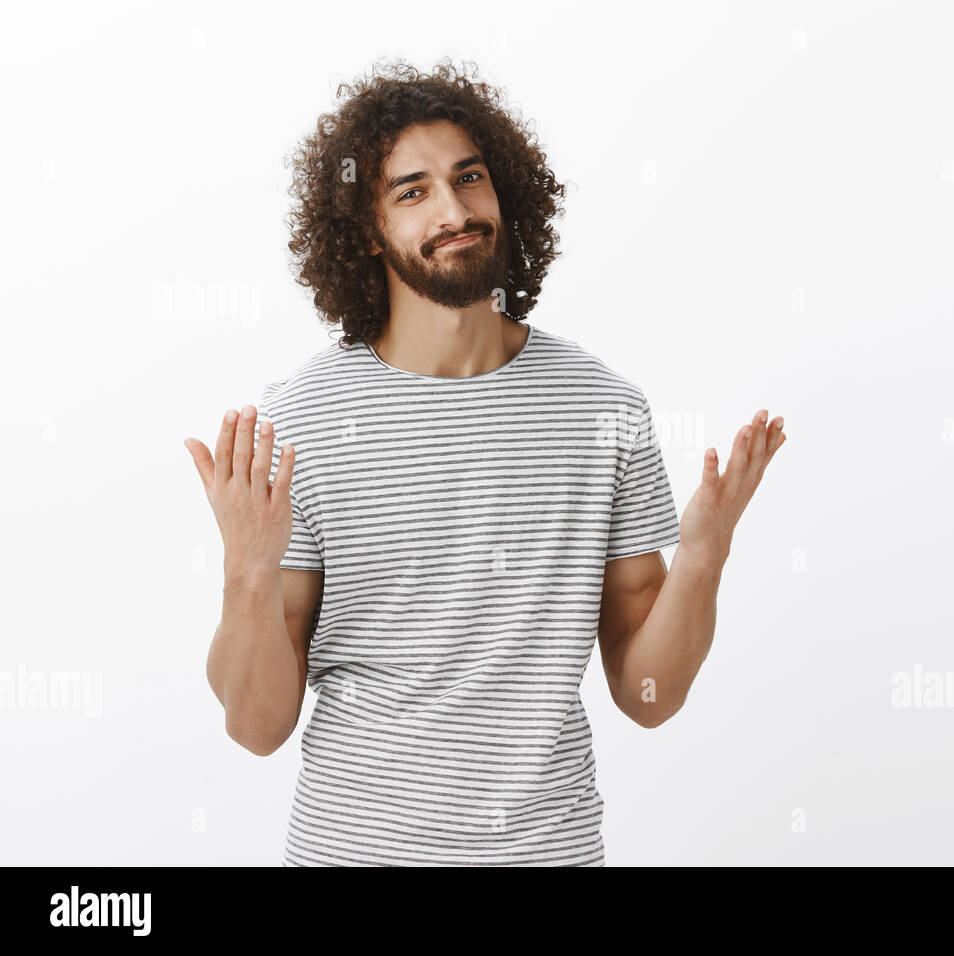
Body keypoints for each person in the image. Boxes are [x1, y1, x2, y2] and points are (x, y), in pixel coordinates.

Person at [182, 58, 786, 866]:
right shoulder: (306, 422)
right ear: (366, 232)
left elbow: (650, 698)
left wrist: (704, 557)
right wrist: (247, 575)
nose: (454, 209)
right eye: (412, 191)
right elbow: (257, 728)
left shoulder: (605, 410)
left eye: (469, 178)